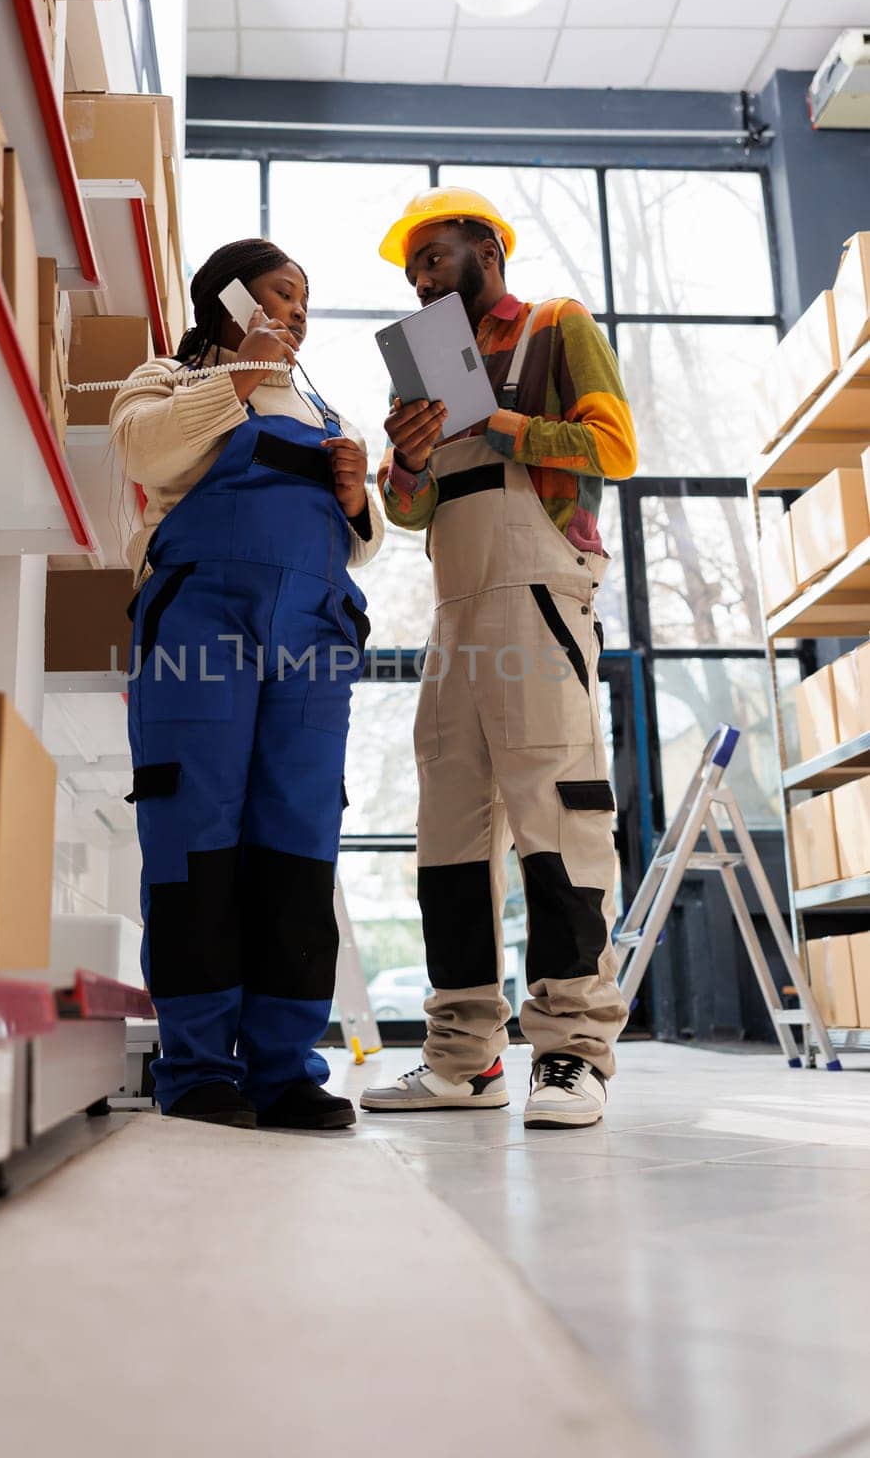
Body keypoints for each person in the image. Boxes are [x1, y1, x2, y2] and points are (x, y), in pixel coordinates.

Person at [359, 187, 637, 1129]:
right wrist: (406, 458)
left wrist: (497, 423)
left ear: (487, 247)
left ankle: (571, 1053)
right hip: (454, 608)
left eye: (434, 258)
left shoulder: (558, 326)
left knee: (556, 818)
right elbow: (410, 513)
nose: (423, 278)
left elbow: (614, 445)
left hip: (537, 592)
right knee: (449, 834)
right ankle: (463, 1056)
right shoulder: (426, 370)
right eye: (413, 271)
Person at [110, 238, 383, 1131]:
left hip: (314, 635)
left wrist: (357, 503)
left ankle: (285, 1069)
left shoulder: (320, 404)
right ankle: (195, 1069)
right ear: (225, 298)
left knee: (298, 842)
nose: (298, 310)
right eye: (280, 292)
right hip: (200, 623)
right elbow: (149, 455)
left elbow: (367, 543)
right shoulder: (164, 377)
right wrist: (239, 374)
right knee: (197, 835)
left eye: (306, 298)